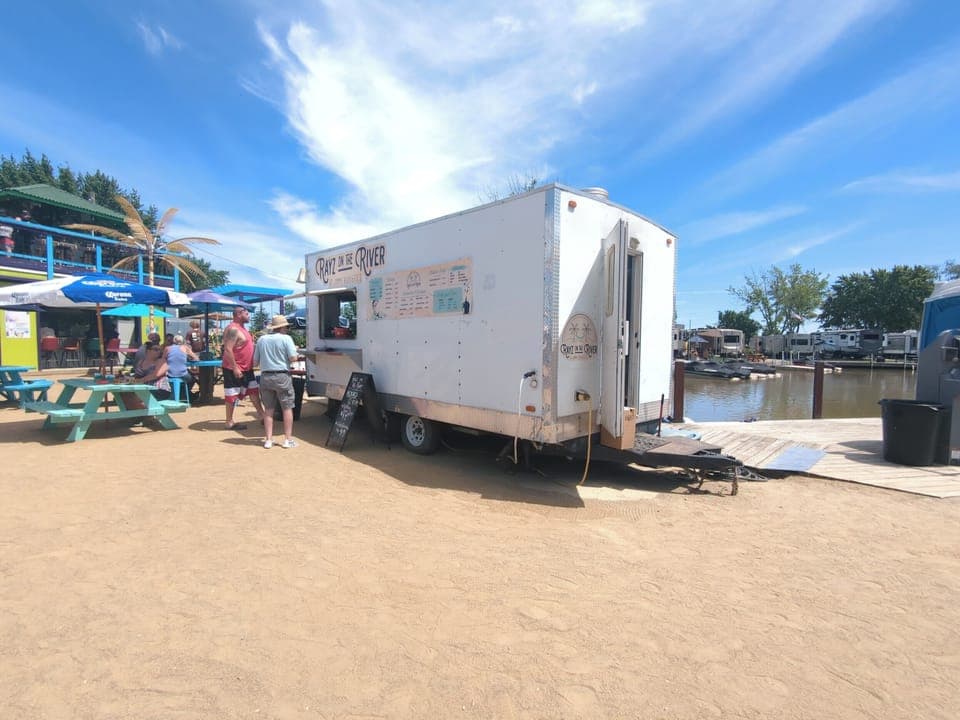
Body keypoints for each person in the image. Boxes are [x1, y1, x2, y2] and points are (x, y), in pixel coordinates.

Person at [253, 315, 300, 449]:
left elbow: (255, 361)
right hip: (282, 376)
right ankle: (288, 439)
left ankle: (268, 439)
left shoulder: (261, 340)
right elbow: (293, 359)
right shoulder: (286, 339)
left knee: (268, 409)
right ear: (283, 327)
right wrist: (295, 351)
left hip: (265, 376)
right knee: (287, 407)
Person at [221, 305, 264, 430]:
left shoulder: (243, 329)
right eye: (246, 313)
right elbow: (228, 349)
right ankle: (229, 422)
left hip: (247, 368)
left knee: (253, 391)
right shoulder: (233, 329)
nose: (248, 315)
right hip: (234, 368)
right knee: (231, 394)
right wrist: (235, 368)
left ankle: (262, 416)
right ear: (239, 314)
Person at [164, 334, 199, 400]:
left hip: (169, 374)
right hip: (183, 374)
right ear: (183, 341)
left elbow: (163, 360)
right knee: (192, 379)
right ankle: (184, 394)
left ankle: (180, 394)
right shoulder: (185, 348)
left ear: (173, 341)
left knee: (183, 379)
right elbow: (196, 358)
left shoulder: (167, 348)